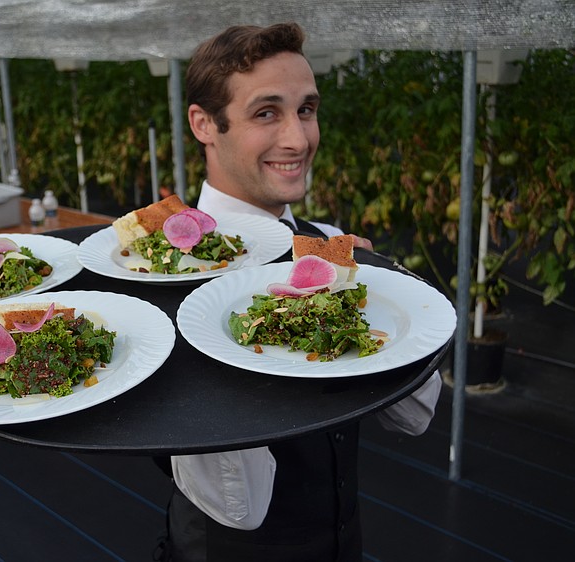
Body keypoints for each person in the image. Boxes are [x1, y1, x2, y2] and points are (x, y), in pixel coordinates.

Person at [154, 22, 442, 562]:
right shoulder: (156, 287)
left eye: (306, 110)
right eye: (267, 113)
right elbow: (240, 509)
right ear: (204, 124)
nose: (298, 138)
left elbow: (416, 416)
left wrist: (380, 289)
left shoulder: (329, 244)